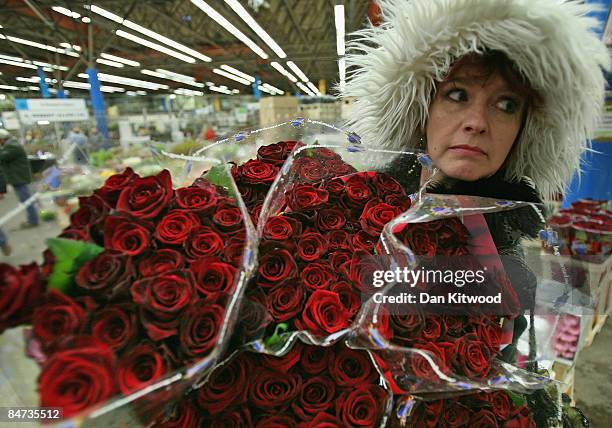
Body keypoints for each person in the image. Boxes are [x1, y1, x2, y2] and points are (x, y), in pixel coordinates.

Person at [343, 0, 608, 426]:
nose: (477, 122)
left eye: (506, 105)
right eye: (458, 94)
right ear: (423, 107)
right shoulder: (354, 214)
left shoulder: (502, 240)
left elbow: (495, 359)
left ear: (524, 127)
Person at [0, 129, 39, 229]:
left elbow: (2, 157)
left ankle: (33, 220)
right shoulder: (11, 145)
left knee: (26, 200)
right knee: (25, 199)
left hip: (19, 178)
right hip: (18, 177)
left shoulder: (12, 146)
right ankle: (32, 219)